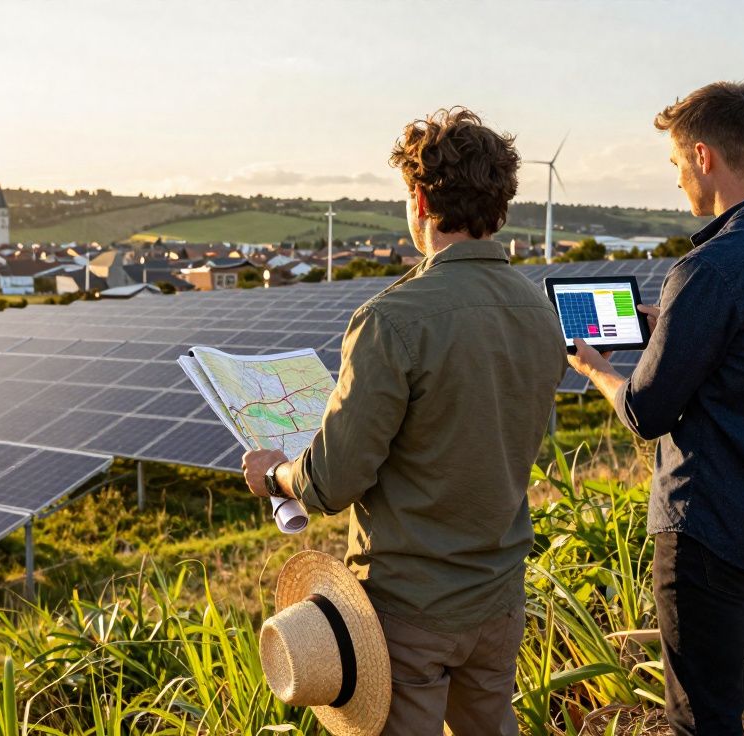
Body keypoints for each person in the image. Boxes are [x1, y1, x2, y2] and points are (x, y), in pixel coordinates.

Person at [241, 107, 566, 735]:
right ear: (499, 206)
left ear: (419, 198)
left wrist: (276, 475)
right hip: (500, 596)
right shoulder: (538, 312)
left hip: (409, 610)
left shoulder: (390, 321)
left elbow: (332, 483)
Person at [567, 82, 744, 735]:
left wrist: (600, 370)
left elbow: (645, 411)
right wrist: (678, 326)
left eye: (674, 166)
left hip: (710, 527)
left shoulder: (710, 268)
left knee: (704, 715)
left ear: (702, 155)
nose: (677, 183)